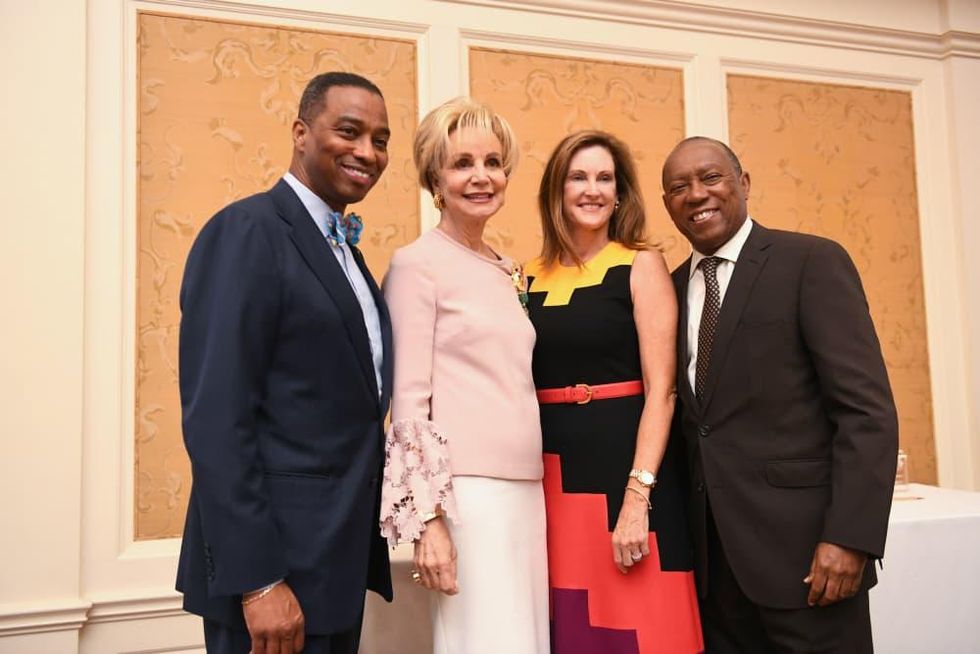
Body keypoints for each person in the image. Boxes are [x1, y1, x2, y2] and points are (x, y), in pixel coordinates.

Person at [176, 71, 394, 654]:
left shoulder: (344, 251)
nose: (367, 152)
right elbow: (217, 421)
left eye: (380, 139)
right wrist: (259, 581)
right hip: (273, 577)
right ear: (301, 133)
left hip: (334, 569)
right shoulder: (247, 232)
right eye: (349, 131)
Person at [662, 136, 899, 653]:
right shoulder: (669, 289)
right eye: (678, 187)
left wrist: (850, 538)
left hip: (810, 563)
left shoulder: (809, 261)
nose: (695, 194)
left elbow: (866, 412)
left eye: (710, 178)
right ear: (668, 207)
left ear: (743, 184)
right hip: (714, 575)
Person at [380, 97, 548, 654]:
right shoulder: (416, 264)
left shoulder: (508, 270)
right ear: (436, 178)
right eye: (462, 164)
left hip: (529, 491)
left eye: (493, 162)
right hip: (466, 500)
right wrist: (428, 522)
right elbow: (407, 405)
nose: (482, 177)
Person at [525, 130, 703, 653]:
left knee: (644, 628)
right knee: (576, 628)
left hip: (627, 477)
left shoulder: (639, 264)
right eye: (578, 177)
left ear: (621, 192)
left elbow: (664, 391)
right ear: (556, 190)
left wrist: (637, 496)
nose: (593, 189)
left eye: (605, 178)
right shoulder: (524, 277)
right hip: (551, 483)